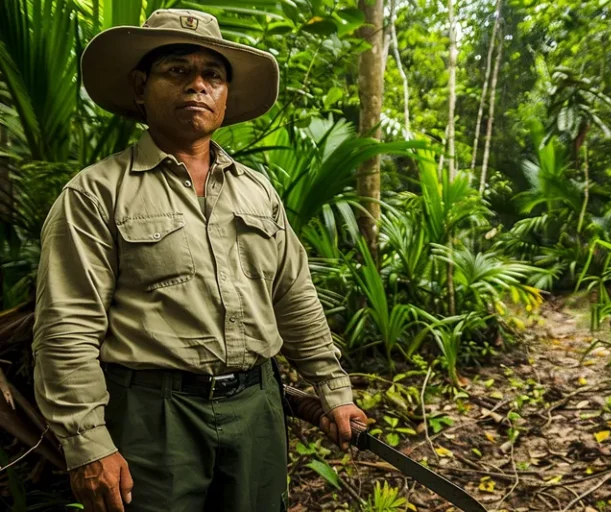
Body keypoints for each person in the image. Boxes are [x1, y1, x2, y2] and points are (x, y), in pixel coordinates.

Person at [32, 9, 367, 512]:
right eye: (177, 71)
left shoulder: (257, 192)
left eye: (212, 75)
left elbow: (294, 294)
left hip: (257, 407)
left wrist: (333, 388)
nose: (197, 85)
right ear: (141, 87)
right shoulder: (97, 192)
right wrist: (87, 443)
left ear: (226, 97)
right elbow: (66, 325)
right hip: (152, 417)